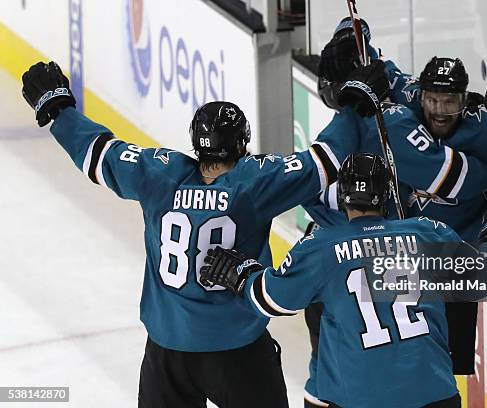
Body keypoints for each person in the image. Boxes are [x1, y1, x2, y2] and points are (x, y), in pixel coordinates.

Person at [21, 61, 361, 408]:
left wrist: (60, 111)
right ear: (242, 143)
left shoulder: (159, 174)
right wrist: (355, 104)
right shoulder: (254, 184)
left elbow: (100, 153)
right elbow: (325, 159)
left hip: (168, 354)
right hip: (238, 351)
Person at [315, 19, 487, 383]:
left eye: (449, 101)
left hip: (453, 265)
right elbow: (375, 63)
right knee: (392, 356)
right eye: (432, 99)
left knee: (446, 374)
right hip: (401, 257)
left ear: (464, 99)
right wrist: (351, 38)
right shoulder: (406, 97)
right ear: (421, 95)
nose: (440, 110)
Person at [200, 153, 487, 408]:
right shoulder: (428, 233)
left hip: (360, 398)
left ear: (341, 197)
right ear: (386, 195)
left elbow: (271, 299)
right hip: (434, 394)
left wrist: (242, 275)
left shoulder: (321, 246)